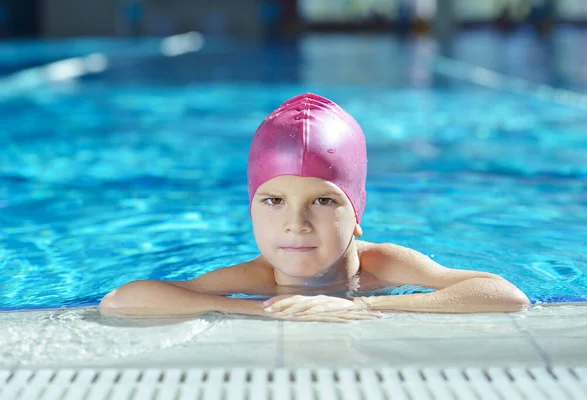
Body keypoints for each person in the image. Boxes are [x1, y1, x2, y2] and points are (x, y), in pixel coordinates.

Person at [99, 93, 530, 322]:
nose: (296, 224)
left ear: (356, 214)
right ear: (251, 211)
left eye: (324, 201)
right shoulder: (257, 279)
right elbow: (119, 300)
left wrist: (361, 306)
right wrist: (255, 308)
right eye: (274, 201)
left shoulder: (380, 264)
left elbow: (506, 295)